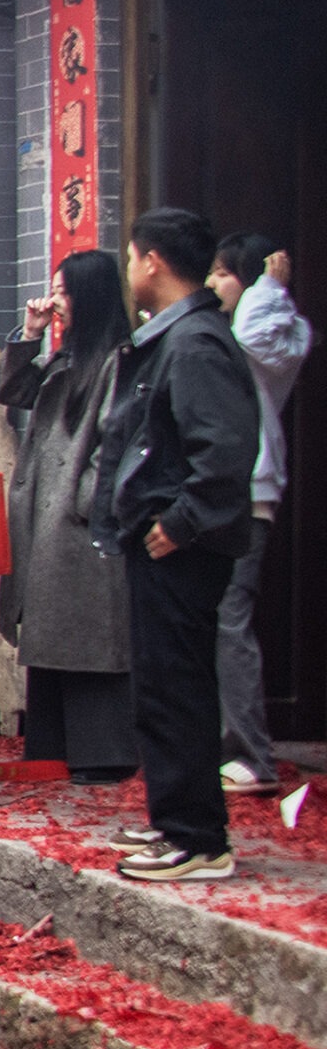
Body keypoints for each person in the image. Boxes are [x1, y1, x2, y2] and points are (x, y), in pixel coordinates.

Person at [90, 208, 260, 883]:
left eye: (133, 258)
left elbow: (223, 449)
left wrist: (181, 520)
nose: (130, 271)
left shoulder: (195, 342)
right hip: (160, 538)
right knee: (161, 683)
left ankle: (198, 837)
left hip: (181, 544)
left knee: (180, 684)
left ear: (152, 261)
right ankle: (175, 816)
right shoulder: (177, 336)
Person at [0, 250, 136, 784]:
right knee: (52, 633)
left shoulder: (118, 358)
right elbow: (13, 392)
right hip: (48, 515)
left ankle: (100, 753)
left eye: (63, 291)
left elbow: (114, 442)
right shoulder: (68, 356)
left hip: (76, 521)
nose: (54, 301)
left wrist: (86, 501)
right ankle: (52, 747)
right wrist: (29, 334)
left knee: (86, 637)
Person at [209, 236, 310, 797]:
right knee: (219, 621)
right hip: (230, 492)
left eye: (224, 275)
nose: (213, 285)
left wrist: (269, 285)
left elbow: (255, 332)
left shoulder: (265, 331)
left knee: (230, 622)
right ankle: (231, 745)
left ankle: (251, 753)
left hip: (249, 495)